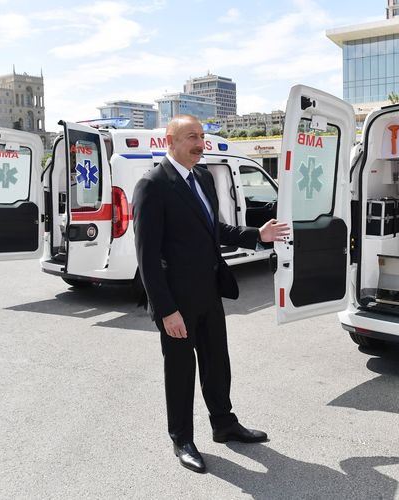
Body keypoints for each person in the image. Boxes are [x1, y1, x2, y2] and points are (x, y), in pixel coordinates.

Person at [133, 115, 289, 474]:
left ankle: (224, 424)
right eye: (192, 137)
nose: (200, 144)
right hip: (177, 301)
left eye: (202, 136)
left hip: (209, 291)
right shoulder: (152, 185)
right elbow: (147, 258)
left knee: (217, 362)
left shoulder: (203, 176)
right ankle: (182, 439)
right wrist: (166, 310)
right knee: (181, 369)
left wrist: (256, 235)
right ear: (169, 141)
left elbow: (213, 229)